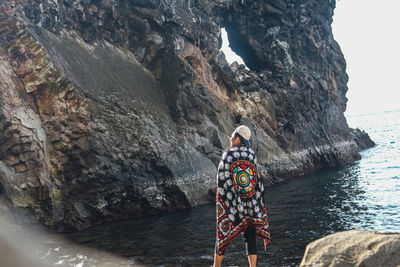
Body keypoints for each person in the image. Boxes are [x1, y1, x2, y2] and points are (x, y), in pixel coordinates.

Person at [214, 125, 271, 267]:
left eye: (232, 136)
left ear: (237, 138)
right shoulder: (251, 154)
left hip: (232, 203)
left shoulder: (228, 154)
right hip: (250, 201)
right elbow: (255, 179)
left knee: (223, 232)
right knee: (250, 235)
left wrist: (228, 199)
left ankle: (216, 266)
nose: (230, 138)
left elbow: (221, 179)